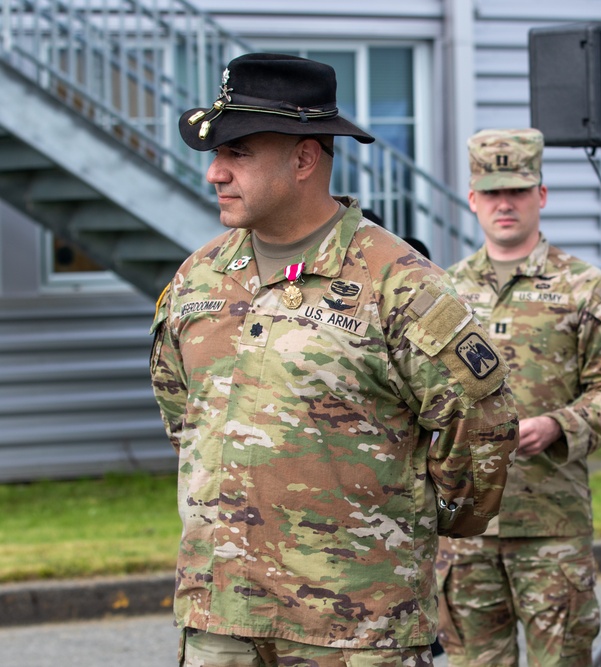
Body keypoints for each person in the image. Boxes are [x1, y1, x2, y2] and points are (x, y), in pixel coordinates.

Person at [149, 53, 519, 667]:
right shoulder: (199, 276)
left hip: (356, 625)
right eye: (215, 153)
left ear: (303, 158)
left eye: (238, 152)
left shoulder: (398, 283)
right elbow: (182, 415)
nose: (215, 172)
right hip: (219, 616)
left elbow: (480, 431)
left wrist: (415, 528)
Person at [434, 128, 601, 666]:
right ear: (473, 198)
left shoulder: (587, 291)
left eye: (518, 191)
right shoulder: (440, 293)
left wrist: (558, 426)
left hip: (551, 525)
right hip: (465, 525)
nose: (506, 204)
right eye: (493, 192)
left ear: (540, 196)